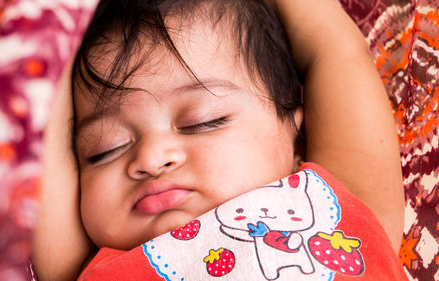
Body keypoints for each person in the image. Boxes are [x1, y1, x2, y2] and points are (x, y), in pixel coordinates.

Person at [33, 0, 405, 280]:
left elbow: (334, 50)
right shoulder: (79, 268)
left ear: (295, 134)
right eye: (105, 149)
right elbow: (38, 118)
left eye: (203, 122)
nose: (151, 156)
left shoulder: (338, 215)